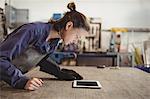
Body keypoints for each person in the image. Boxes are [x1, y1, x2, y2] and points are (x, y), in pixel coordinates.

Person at [0, 2, 90, 91]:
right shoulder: (31, 31)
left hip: (6, 82)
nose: (76, 40)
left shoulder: (54, 42)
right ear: (69, 26)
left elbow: (40, 59)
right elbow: (1, 59)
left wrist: (59, 72)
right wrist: (21, 81)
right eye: (77, 36)